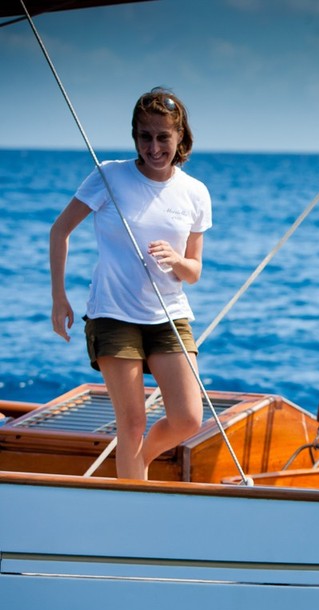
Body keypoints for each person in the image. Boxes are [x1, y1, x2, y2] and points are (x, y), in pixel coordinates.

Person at [49, 88, 210, 480]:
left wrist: (176, 261)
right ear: (135, 136)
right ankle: (133, 506)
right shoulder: (109, 176)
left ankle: (139, 463)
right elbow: (59, 231)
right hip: (112, 315)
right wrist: (59, 298)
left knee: (189, 418)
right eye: (144, 136)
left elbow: (194, 271)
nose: (153, 147)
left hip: (168, 316)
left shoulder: (194, 192)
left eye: (163, 137)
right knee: (132, 423)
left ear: (180, 137)